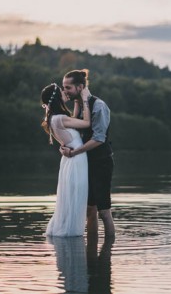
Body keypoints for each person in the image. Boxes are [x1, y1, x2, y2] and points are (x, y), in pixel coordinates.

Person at [60, 69, 116, 238]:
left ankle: (107, 253)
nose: (65, 91)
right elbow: (74, 132)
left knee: (104, 210)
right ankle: (91, 255)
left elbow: (98, 139)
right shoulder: (78, 106)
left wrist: (74, 152)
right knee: (89, 209)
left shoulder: (99, 106)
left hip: (101, 163)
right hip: (85, 163)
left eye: (68, 88)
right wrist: (65, 147)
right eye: (64, 87)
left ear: (80, 87)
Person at [41, 83, 91, 236]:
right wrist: (85, 99)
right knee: (75, 197)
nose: (65, 92)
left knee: (71, 197)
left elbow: (72, 122)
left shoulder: (54, 119)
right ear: (56, 97)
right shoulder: (60, 118)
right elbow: (86, 123)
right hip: (76, 160)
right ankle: (71, 232)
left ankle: (67, 228)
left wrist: (76, 103)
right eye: (62, 91)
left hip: (70, 159)